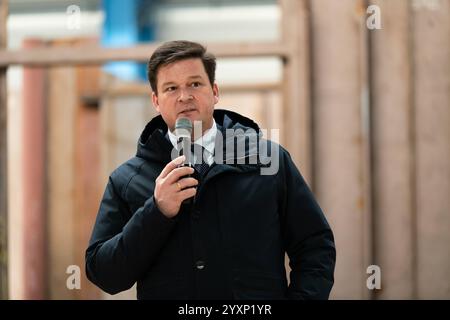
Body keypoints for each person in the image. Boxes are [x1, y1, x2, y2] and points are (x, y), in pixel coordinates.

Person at [85, 40, 336, 300]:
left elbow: (315, 247)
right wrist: (156, 212)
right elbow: (105, 274)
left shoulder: (269, 162)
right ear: (156, 101)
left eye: (195, 84)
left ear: (214, 91)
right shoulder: (127, 180)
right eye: (171, 88)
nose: (184, 96)